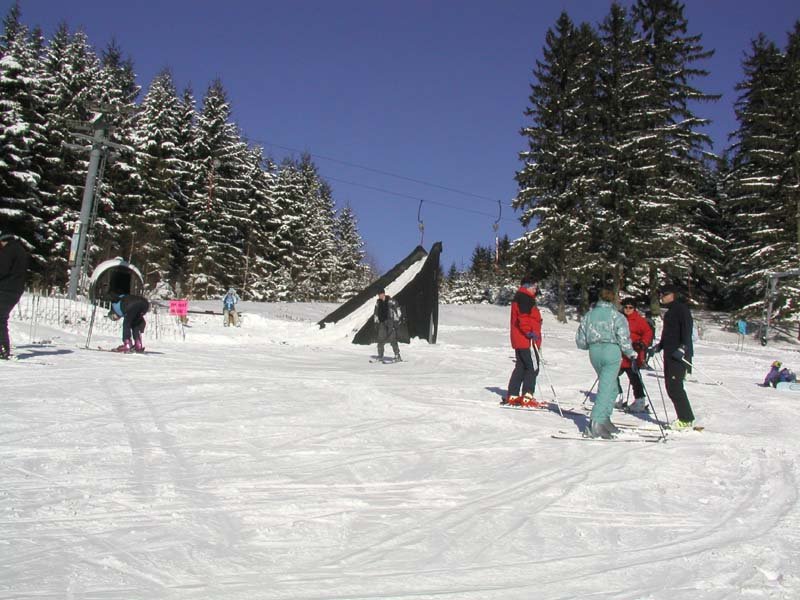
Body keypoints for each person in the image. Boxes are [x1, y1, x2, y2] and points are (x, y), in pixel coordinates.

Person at [575, 288, 638, 439]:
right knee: (606, 386)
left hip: (594, 352)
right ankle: (596, 422)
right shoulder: (616, 316)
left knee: (613, 387)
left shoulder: (589, 316)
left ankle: (605, 419)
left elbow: (580, 340)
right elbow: (623, 338)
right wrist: (631, 354)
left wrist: (592, 343)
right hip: (611, 351)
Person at [648, 284, 695, 429]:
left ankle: (686, 419)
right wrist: (659, 346)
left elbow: (687, 331)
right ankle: (684, 418)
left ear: (674, 294)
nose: (662, 296)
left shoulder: (681, 309)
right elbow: (668, 334)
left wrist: (683, 348)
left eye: (665, 294)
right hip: (669, 354)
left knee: (675, 387)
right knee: (670, 387)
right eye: (661, 294)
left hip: (679, 356)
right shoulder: (669, 312)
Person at [502, 275, 543, 407]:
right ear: (528, 286)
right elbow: (523, 318)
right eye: (534, 286)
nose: (536, 289)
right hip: (527, 340)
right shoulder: (525, 298)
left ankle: (513, 394)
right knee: (533, 367)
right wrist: (529, 332)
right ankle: (527, 395)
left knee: (521, 366)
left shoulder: (520, 297)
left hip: (519, 339)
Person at [617, 298, 654, 413]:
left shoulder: (639, 320)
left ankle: (639, 400)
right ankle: (617, 396)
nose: (627, 310)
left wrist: (643, 342)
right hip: (619, 353)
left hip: (633, 353)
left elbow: (648, 332)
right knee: (611, 375)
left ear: (634, 308)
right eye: (626, 307)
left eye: (630, 307)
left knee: (634, 378)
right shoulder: (619, 318)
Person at [0, 231, 29, 360]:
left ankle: (2, 348)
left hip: (6, 289)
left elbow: (2, 269)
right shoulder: (19, 249)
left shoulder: (9, 250)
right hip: (15, 290)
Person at [373, 289, 402, 362]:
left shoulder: (391, 301)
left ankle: (397, 355)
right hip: (382, 323)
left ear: (383, 293)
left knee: (392, 339)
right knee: (380, 339)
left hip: (390, 322)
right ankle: (380, 355)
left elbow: (398, 310)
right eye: (378, 294)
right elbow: (376, 312)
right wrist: (376, 321)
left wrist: (397, 320)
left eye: (380, 294)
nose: (379, 296)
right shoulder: (378, 302)